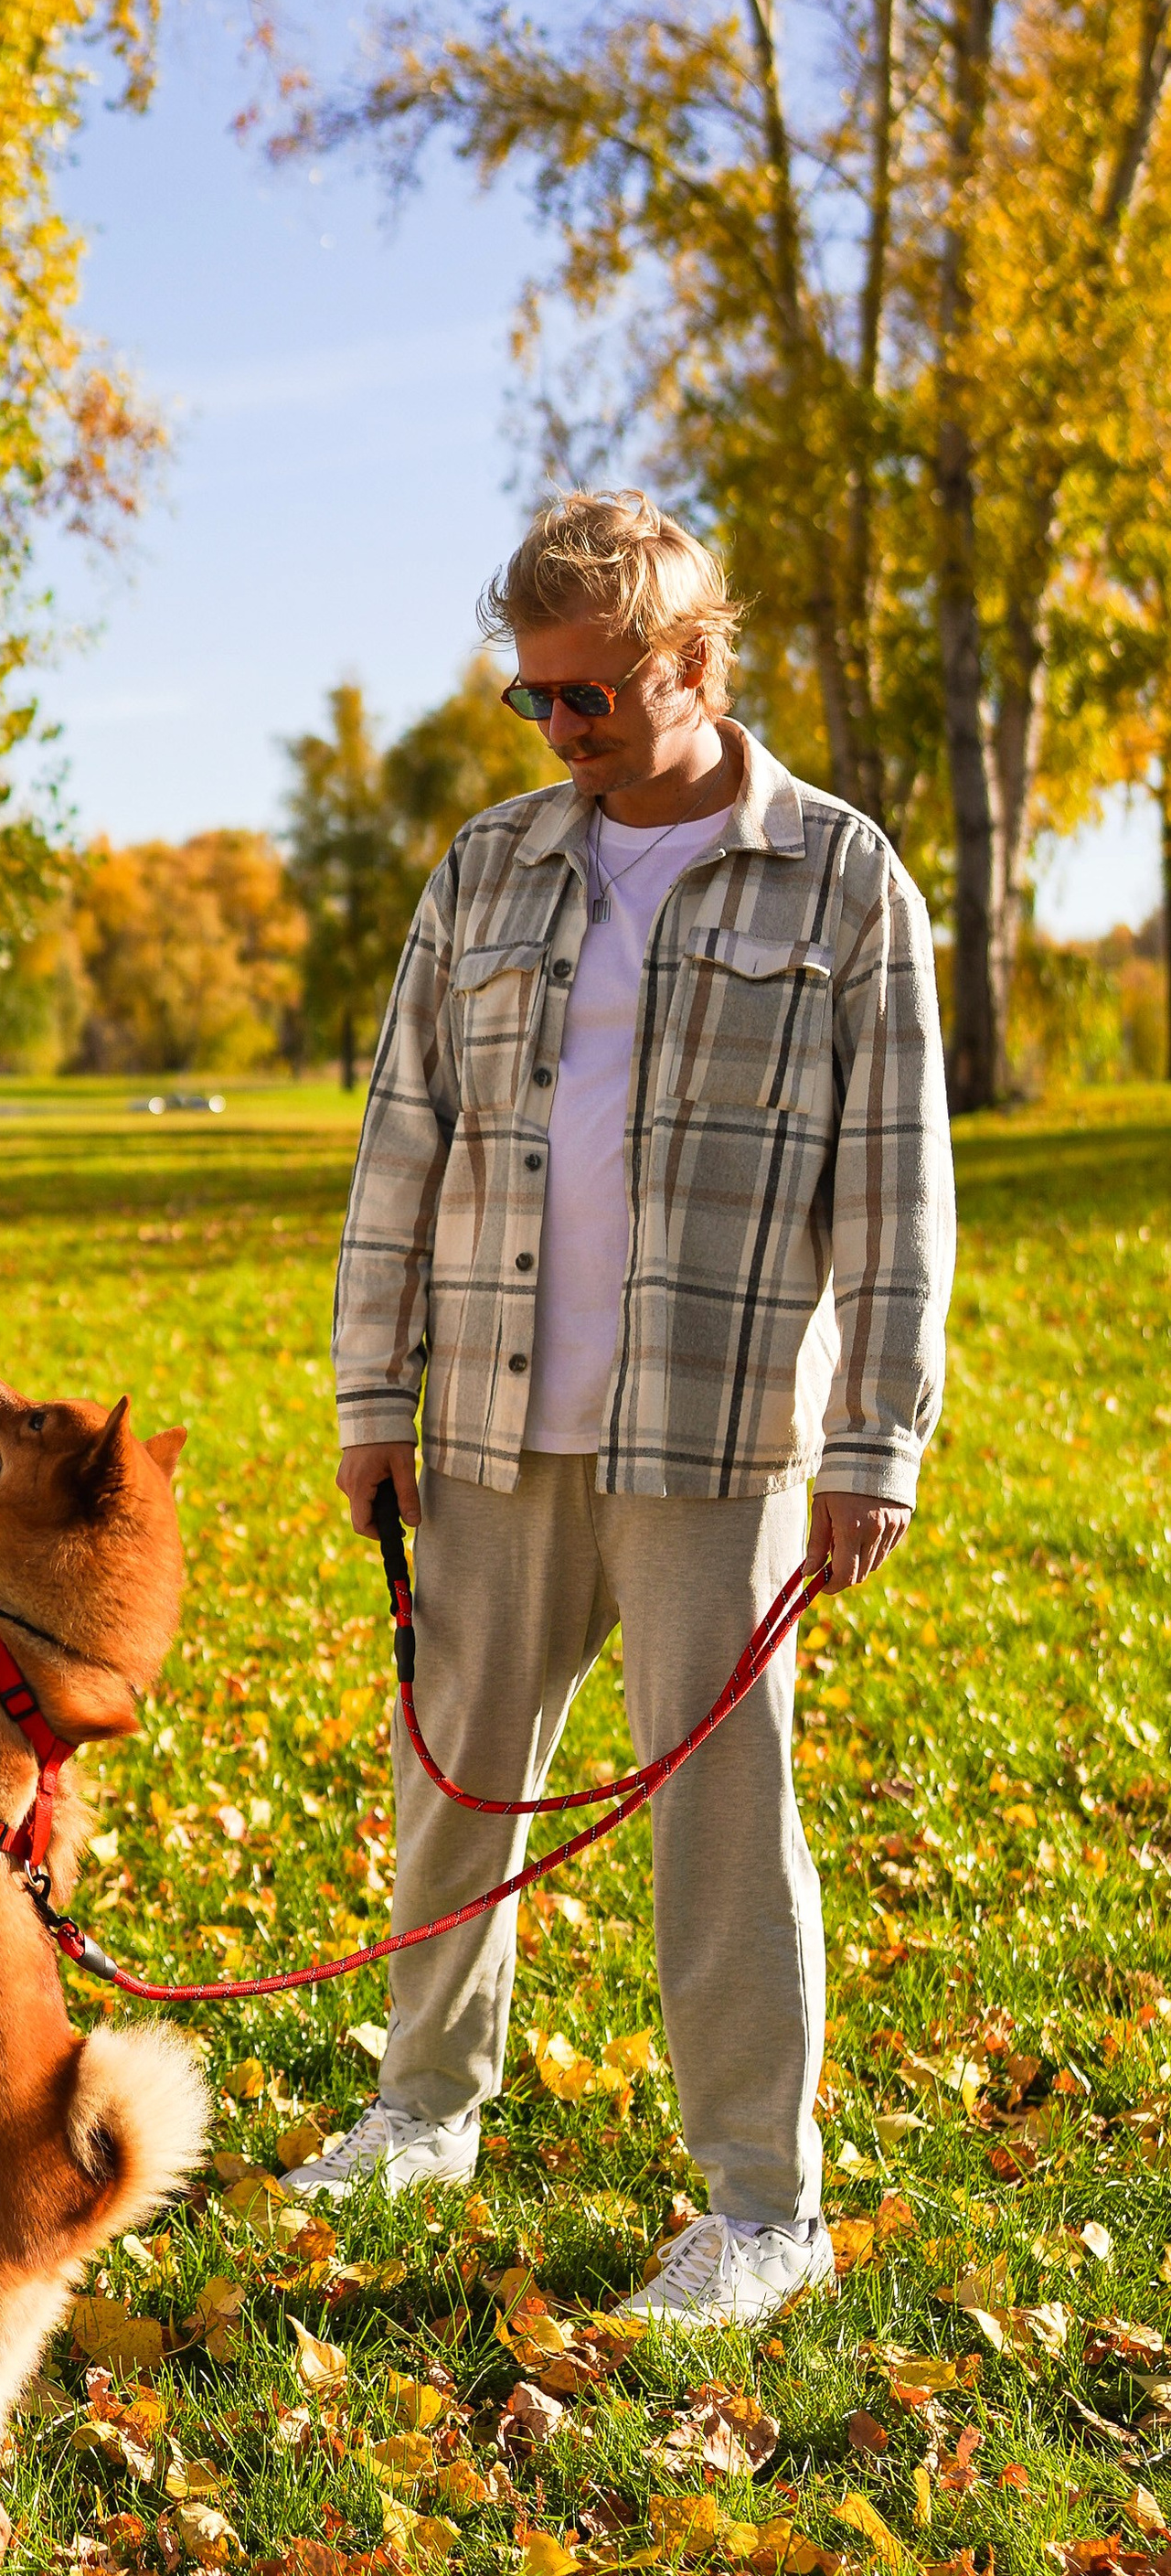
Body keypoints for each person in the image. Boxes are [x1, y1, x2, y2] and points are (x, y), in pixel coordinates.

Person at [296, 493, 953, 2329]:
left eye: (583, 697)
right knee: (454, 1782)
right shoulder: (488, 869)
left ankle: (759, 2204)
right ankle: (419, 2108)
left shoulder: (836, 879)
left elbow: (895, 1197)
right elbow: (397, 1148)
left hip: (718, 1434)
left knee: (720, 1820)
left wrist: (871, 1445)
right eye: (532, 703)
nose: (556, 732)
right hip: (493, 1422)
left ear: (685, 662)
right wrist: (370, 1394)